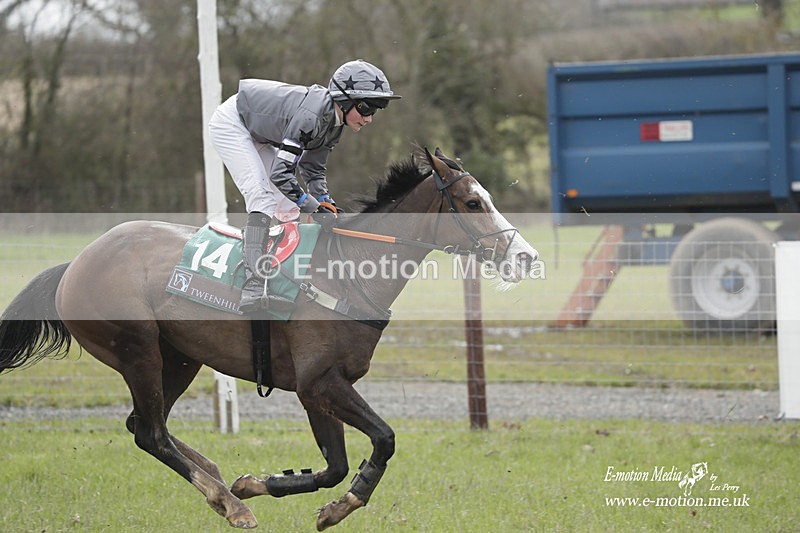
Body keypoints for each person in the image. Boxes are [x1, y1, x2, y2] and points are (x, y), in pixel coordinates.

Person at [209, 59, 401, 313]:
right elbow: (281, 174)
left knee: (288, 207)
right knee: (262, 197)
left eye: (375, 111)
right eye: (366, 109)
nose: (369, 119)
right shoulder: (311, 118)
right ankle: (253, 283)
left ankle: (280, 275)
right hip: (232, 123)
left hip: (260, 132)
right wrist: (312, 205)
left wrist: (325, 202)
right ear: (343, 101)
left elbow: (312, 169)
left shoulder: (333, 125)